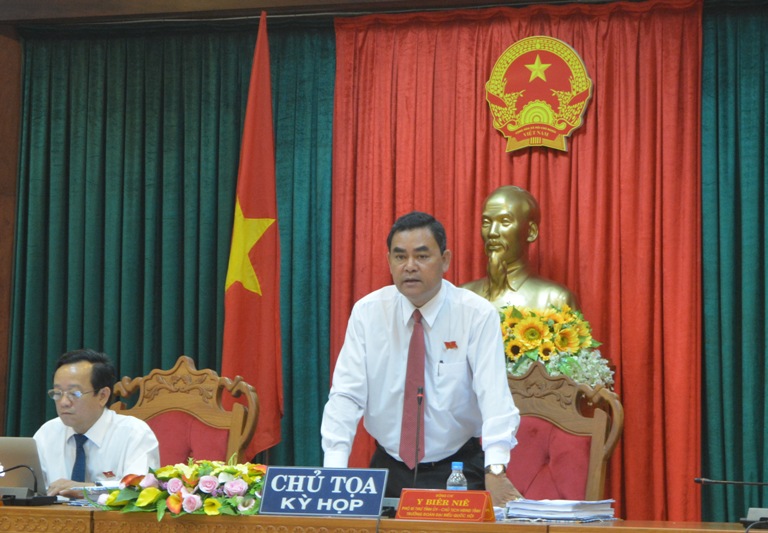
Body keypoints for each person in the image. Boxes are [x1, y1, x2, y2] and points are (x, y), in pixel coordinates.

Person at [321, 211, 522, 506]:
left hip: (457, 469)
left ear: (445, 260)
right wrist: (334, 470)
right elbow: (346, 396)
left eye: (422, 256)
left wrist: (496, 468)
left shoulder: (476, 315)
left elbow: (494, 398)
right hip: (387, 467)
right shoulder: (368, 313)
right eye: (400, 257)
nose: (410, 266)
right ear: (389, 261)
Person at [33, 349, 160, 497]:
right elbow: (25, 488)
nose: (64, 402)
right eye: (57, 393)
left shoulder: (134, 433)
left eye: (74, 393)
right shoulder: (47, 433)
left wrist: (86, 490)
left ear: (102, 396)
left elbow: (140, 490)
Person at [462, 185, 579, 311]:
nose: (492, 232)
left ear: (531, 232)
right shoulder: (462, 296)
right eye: (486, 222)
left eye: (505, 222)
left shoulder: (555, 299)